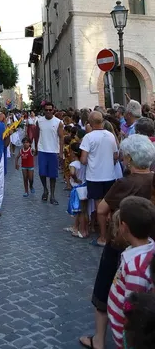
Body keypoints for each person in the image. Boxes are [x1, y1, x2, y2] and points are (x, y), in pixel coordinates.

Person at [79, 134, 155, 349]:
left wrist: (106, 233)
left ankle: (100, 341)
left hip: (121, 245)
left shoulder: (124, 183)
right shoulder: (153, 180)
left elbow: (102, 210)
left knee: (104, 291)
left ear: (129, 159)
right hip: (149, 245)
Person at [107, 196, 155, 349]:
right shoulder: (142, 251)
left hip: (126, 338)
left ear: (124, 227)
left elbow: (133, 308)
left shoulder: (137, 269)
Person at [80, 111, 118, 246]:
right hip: (109, 176)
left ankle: (102, 237)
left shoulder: (88, 137)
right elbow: (115, 156)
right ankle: (111, 234)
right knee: (109, 207)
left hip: (95, 176)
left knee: (99, 207)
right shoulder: (110, 136)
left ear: (90, 123)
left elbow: (84, 160)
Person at [36, 101, 64, 205]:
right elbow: (36, 135)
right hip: (42, 149)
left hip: (53, 151)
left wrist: (61, 153)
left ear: (53, 110)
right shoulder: (39, 121)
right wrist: (35, 147)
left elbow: (61, 138)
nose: (48, 111)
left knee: (53, 175)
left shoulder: (58, 122)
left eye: (50, 110)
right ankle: (45, 189)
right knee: (42, 173)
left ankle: (52, 195)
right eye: (46, 110)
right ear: (44, 110)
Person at [68, 142, 88, 238]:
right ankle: (78, 228)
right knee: (83, 210)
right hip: (85, 187)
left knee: (79, 211)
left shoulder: (74, 164)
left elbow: (72, 173)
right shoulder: (84, 163)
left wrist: (75, 179)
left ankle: (80, 229)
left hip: (77, 188)